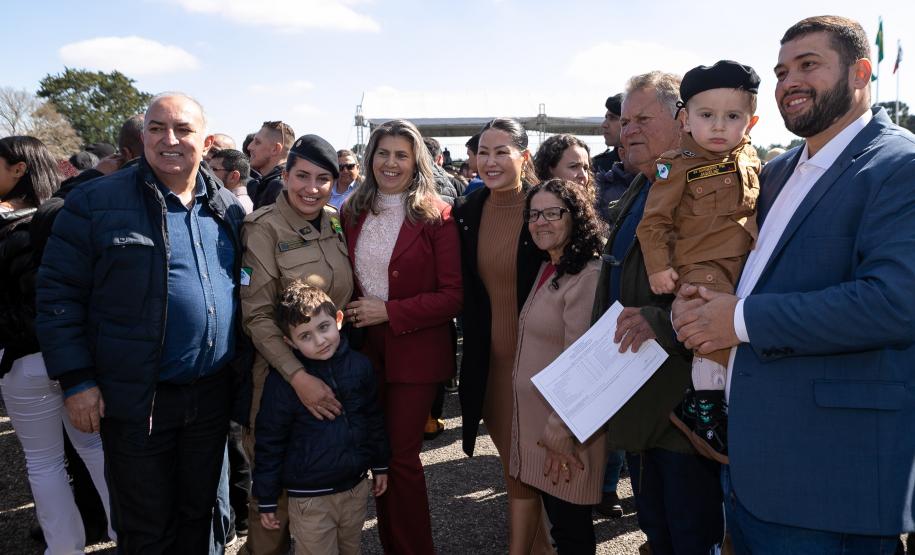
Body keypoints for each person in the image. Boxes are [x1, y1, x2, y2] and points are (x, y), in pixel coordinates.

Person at [673, 16, 915, 554]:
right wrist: (695, 301)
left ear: (861, 72)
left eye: (809, 65)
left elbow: (895, 303)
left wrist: (736, 320)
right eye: (782, 71)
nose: (790, 82)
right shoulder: (777, 171)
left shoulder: (901, 165)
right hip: (754, 468)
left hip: (832, 482)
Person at [36, 93, 248, 553]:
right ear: (143, 135)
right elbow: (57, 295)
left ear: (204, 139)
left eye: (183, 130)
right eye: (156, 129)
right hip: (136, 398)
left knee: (203, 518)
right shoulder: (96, 202)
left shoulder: (226, 206)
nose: (169, 140)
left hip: (210, 396)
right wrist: (76, 381)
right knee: (146, 526)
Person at [592, 72, 724, 554]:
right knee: (658, 531)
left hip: (683, 410)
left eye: (643, 119)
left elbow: (724, 283)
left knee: (691, 536)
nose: (628, 131)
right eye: (625, 121)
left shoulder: (708, 186)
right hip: (641, 400)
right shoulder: (646, 186)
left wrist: (662, 322)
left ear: (682, 119)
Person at [341, 119, 462, 554]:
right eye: (383, 153)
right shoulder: (351, 212)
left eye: (401, 155)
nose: (391, 163)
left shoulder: (437, 216)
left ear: (417, 162)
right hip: (363, 354)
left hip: (416, 355)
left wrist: (389, 312)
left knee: (400, 459)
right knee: (376, 459)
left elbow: (452, 297)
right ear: (370, 157)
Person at [637, 60, 762, 462]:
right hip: (702, 266)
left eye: (732, 116)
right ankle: (702, 409)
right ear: (685, 119)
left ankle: (709, 401)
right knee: (711, 334)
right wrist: (658, 266)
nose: (719, 126)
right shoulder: (674, 165)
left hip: (744, 266)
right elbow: (652, 222)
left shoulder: (751, 158)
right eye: (707, 115)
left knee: (732, 337)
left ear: (751, 121)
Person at [240, 134, 353, 555]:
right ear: (284, 175)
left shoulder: (335, 220)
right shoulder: (263, 227)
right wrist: (298, 377)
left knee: (322, 490)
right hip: (280, 380)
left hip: (332, 372)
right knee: (275, 495)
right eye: (301, 175)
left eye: (323, 178)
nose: (311, 187)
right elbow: (257, 316)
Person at [0, 136, 114, 552]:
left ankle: (63, 548)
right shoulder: (69, 214)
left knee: (46, 462)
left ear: (19, 168)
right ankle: (129, 534)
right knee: (96, 450)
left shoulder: (26, 222)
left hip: (26, 358)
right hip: (74, 355)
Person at [454, 118, 553, 554]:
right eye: (482, 152)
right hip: (489, 365)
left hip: (538, 366)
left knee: (525, 468)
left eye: (501, 152)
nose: (489, 161)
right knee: (516, 466)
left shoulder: (545, 205)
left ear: (524, 156)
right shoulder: (468, 211)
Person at [253, 281, 389, 555]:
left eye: (323, 327)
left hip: (354, 488)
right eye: (305, 336)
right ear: (289, 342)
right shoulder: (283, 384)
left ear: (338, 320)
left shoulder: (360, 367)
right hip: (309, 499)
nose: (319, 341)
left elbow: (372, 418)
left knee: (351, 549)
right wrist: (266, 499)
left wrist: (380, 464)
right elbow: (270, 440)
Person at [512, 178, 606, 553]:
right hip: (545, 427)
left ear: (576, 216)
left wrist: (561, 426)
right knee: (562, 530)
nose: (541, 222)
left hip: (563, 431)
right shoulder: (550, 266)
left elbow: (583, 361)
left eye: (553, 213)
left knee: (572, 535)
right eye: (535, 214)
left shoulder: (586, 274)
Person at [249, 120, 296, 209]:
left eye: (257, 142)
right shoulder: (268, 182)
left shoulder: (279, 186)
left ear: (275, 149)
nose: (250, 147)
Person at [211, 148, 254, 214]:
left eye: (214, 169)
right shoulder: (226, 201)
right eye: (208, 168)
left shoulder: (234, 207)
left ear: (234, 176)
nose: (208, 173)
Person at [592, 93, 623, 174]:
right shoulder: (597, 166)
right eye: (606, 118)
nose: (604, 125)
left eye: (612, 118)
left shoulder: (655, 164)